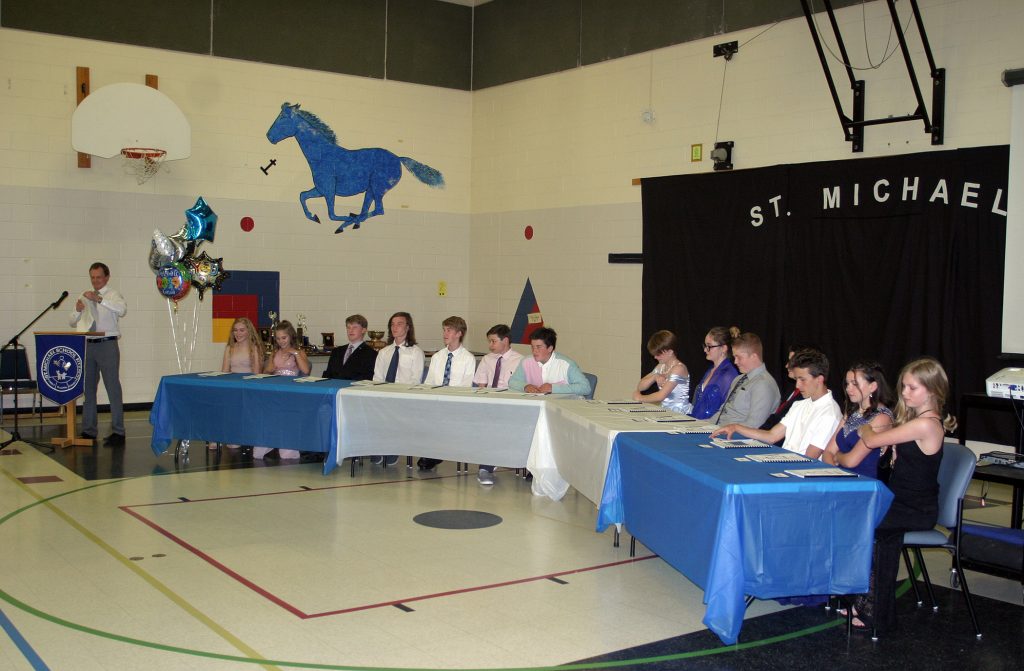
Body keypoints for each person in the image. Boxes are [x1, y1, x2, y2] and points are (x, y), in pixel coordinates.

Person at [846, 357, 956, 633]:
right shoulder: (917, 422)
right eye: (904, 387)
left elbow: (870, 439)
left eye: (912, 388)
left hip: (916, 508)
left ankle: (873, 608)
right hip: (900, 500)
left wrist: (865, 424)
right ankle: (867, 602)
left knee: (868, 525)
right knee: (863, 520)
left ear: (931, 390)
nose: (904, 393)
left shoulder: (927, 424)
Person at [711, 349, 841, 459]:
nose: (797, 385)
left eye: (802, 380)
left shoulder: (829, 414)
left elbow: (809, 459)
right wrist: (735, 427)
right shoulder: (800, 405)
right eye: (796, 379)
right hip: (787, 462)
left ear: (819, 379)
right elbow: (772, 436)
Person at [69, 262, 127, 446]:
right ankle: (89, 430)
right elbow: (71, 321)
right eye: (93, 277)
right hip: (88, 344)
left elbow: (122, 310)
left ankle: (118, 431)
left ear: (107, 277)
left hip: (107, 344)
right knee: (89, 389)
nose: (95, 281)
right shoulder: (84, 295)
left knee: (112, 388)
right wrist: (77, 311)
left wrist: (100, 299)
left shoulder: (113, 295)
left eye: (99, 277)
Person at [418, 316, 475, 470]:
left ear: (459, 333)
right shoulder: (438, 357)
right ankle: (432, 452)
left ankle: (435, 453)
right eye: (444, 330)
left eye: (449, 330)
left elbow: (465, 386)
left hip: (455, 401)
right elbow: (429, 382)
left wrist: (447, 399)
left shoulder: (468, 358)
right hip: (436, 400)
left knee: (443, 416)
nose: (445, 333)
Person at [822, 361, 895, 478]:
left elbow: (851, 461)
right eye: (847, 383)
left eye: (855, 384)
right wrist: (835, 474)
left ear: (873, 386)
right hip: (841, 477)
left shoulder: (882, 417)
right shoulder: (851, 412)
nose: (848, 389)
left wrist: (837, 456)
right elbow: (828, 452)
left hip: (863, 482)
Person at [472, 324, 524, 485]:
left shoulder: (520, 361)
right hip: (489, 403)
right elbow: (481, 385)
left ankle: (487, 466)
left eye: (493, 341)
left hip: (510, 405)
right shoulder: (487, 359)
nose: (490, 346)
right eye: (489, 342)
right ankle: (486, 466)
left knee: (497, 423)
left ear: (506, 341)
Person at [371, 312, 425, 466]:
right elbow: (377, 378)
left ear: (408, 327)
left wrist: (398, 394)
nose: (395, 327)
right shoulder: (384, 352)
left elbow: (416, 380)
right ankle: (377, 447)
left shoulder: (415, 352)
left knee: (394, 412)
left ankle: (392, 448)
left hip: (404, 396)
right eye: (392, 324)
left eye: (399, 324)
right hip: (384, 395)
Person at [255, 320, 309, 460]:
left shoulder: (298, 352)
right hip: (275, 389)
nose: (281, 341)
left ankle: (288, 448)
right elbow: (266, 371)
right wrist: (270, 369)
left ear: (291, 336)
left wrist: (295, 353)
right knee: (270, 417)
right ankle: (269, 442)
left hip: (291, 390)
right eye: (278, 338)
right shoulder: (275, 352)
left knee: (286, 419)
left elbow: (305, 370)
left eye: (284, 338)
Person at [214, 317, 264, 451]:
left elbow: (257, 374)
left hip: (248, 386)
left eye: (242, 330)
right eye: (235, 330)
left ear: (249, 331)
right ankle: (221, 435)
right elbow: (224, 371)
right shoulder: (229, 348)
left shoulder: (254, 348)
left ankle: (239, 436)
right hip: (232, 385)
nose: (238, 333)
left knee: (241, 405)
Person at [713, 331, 780, 428]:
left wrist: (724, 430)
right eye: (734, 357)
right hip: (722, 430)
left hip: (737, 437)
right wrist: (701, 425)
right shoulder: (739, 379)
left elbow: (754, 425)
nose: (735, 362)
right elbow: (722, 413)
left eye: (739, 357)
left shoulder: (764, 384)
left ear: (754, 357)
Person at [508, 327, 591, 396]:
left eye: (539, 347)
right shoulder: (526, 361)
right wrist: (525, 386)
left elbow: (585, 388)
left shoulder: (566, 364)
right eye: (532, 347)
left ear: (550, 348)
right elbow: (512, 382)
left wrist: (553, 388)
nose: (534, 351)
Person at [632, 330, 692, 415]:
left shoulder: (679, 368)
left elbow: (661, 396)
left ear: (670, 352)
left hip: (680, 413)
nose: (655, 357)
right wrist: (655, 376)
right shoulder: (661, 367)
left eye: (658, 354)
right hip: (666, 412)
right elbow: (641, 387)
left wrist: (640, 398)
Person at [690, 326, 739, 419]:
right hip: (698, 423)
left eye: (709, 346)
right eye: (705, 346)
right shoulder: (710, 371)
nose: (705, 350)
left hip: (713, 427)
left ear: (724, 348)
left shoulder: (729, 375)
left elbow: (725, 410)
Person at [324, 314, 377, 381]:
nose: (350, 330)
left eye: (354, 327)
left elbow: (367, 378)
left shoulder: (371, 354)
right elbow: (327, 374)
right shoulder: (337, 351)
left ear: (363, 330)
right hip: (333, 389)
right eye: (348, 327)